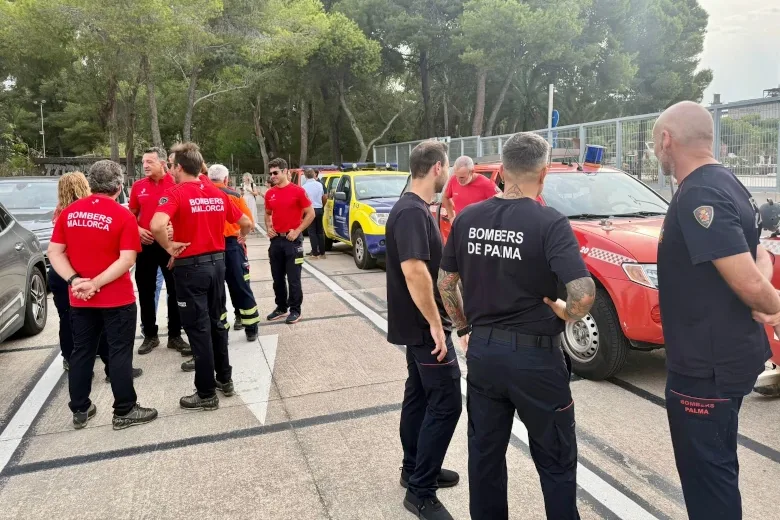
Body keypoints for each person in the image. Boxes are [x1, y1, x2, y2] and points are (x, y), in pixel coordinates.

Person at [437, 132, 594, 520]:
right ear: (543, 173)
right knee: (556, 460)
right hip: (536, 360)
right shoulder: (550, 222)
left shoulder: (468, 218)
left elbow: (445, 283)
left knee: (486, 458)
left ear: (502, 172)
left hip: (485, 355)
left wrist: (463, 328)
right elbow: (583, 292)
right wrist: (566, 312)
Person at [654, 101, 780, 520]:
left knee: (709, 479)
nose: (657, 151)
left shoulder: (699, 194)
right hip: (725, 358)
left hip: (704, 369)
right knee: (718, 465)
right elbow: (758, 254)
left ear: (667, 139)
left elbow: (746, 278)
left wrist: (770, 304)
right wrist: (759, 293)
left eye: (657, 143)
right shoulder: (729, 182)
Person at [47, 160, 158, 430]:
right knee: (119, 352)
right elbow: (127, 258)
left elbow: (54, 252)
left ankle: (80, 408)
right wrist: (96, 282)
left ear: (91, 183)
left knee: (82, 351)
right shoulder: (122, 216)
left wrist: (76, 280)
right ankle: (124, 410)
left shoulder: (68, 213)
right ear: (119, 187)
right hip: (116, 298)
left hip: (80, 298)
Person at [385, 140, 462, 520]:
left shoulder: (413, 208)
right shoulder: (413, 212)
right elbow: (414, 270)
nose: (447, 173)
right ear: (437, 168)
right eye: (446, 166)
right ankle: (421, 490)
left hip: (413, 326)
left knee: (418, 396)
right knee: (447, 402)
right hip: (422, 327)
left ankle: (413, 468)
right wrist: (436, 323)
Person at [150, 142, 252, 410]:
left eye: (171, 165)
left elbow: (157, 224)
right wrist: (241, 239)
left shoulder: (175, 193)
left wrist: (169, 247)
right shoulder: (216, 193)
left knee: (198, 330)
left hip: (191, 269)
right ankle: (224, 379)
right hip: (218, 265)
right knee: (218, 322)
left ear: (179, 168)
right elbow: (247, 223)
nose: (170, 169)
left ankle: (206, 393)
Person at [130, 147, 190, 357]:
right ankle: (150, 335)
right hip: (146, 245)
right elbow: (132, 214)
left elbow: (184, 212)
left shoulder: (176, 183)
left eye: (150, 162)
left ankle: (175, 335)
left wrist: (175, 228)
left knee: (175, 290)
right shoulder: (138, 186)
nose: (145, 166)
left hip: (170, 244)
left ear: (163, 163)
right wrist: (137, 230)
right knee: (145, 291)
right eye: (143, 162)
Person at [209, 164, 260, 342]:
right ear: (226, 179)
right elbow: (249, 223)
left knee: (215, 291)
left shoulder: (203, 194)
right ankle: (251, 327)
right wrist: (242, 236)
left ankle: (221, 328)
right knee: (240, 286)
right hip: (232, 244)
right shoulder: (234, 195)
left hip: (210, 247)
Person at [264, 158, 315, 325]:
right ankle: (281, 307)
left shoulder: (298, 191)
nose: (272, 176)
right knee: (277, 278)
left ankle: (295, 310)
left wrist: (298, 230)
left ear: (286, 172)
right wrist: (268, 227)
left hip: (293, 241)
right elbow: (267, 213)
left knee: (294, 279)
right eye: (271, 173)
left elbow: (311, 213)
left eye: (276, 173)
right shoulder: (270, 193)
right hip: (276, 241)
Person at [440, 155, 500, 220]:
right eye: (456, 176)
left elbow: (501, 206)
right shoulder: (453, 180)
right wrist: (451, 216)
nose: (458, 180)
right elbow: (445, 197)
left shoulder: (487, 184)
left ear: (471, 172)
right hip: (461, 225)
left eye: (462, 177)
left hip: (478, 227)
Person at [302, 168, 327, 258]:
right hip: (319, 209)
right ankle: (322, 252)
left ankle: (315, 252)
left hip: (309, 210)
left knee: (312, 232)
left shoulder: (304, 187)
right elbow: (324, 197)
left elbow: (303, 201)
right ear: (314, 175)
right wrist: (322, 206)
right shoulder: (320, 185)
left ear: (305, 176)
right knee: (320, 231)